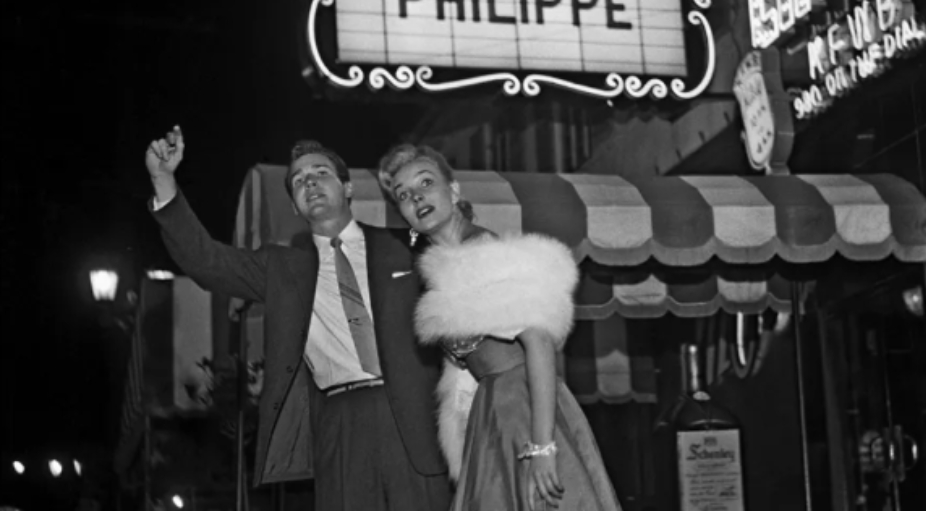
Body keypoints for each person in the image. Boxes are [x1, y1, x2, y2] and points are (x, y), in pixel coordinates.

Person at [145, 126, 450, 511]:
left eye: (321, 173)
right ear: (295, 206)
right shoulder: (281, 267)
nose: (310, 183)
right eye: (299, 181)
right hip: (338, 423)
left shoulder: (405, 245)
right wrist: (163, 179)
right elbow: (207, 262)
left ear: (348, 188)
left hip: (415, 415)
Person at [377, 142, 622, 511]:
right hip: (491, 415)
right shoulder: (447, 266)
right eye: (404, 195)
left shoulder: (481, 251)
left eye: (426, 183)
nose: (416, 197)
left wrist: (542, 447)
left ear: (454, 190)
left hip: (524, 409)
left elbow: (538, 343)